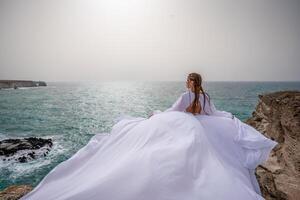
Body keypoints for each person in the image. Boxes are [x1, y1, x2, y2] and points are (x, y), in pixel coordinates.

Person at [21, 73, 278, 200]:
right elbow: (212, 113)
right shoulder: (206, 97)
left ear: (191, 83)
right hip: (201, 127)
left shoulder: (186, 96)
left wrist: (155, 114)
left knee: (157, 144)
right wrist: (229, 119)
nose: (186, 82)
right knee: (205, 159)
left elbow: (172, 111)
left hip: (184, 122)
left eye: (188, 80)